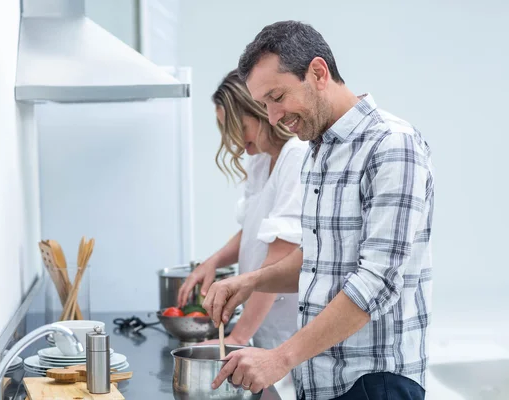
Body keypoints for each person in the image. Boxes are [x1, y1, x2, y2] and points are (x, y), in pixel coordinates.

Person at [202, 21, 434, 400]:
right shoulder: (317, 152)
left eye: (277, 97)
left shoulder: (392, 145)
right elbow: (316, 259)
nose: (273, 117)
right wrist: (250, 282)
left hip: (375, 383)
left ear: (318, 72)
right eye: (264, 106)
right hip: (322, 381)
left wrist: (279, 358)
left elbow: (376, 283)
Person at [177, 69, 308, 399]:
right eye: (224, 129)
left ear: (260, 113)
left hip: (287, 330)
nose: (233, 139)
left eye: (237, 127)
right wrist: (214, 261)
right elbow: (253, 228)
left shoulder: (296, 156)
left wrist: (238, 336)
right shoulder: (262, 160)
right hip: (262, 328)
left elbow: (278, 256)